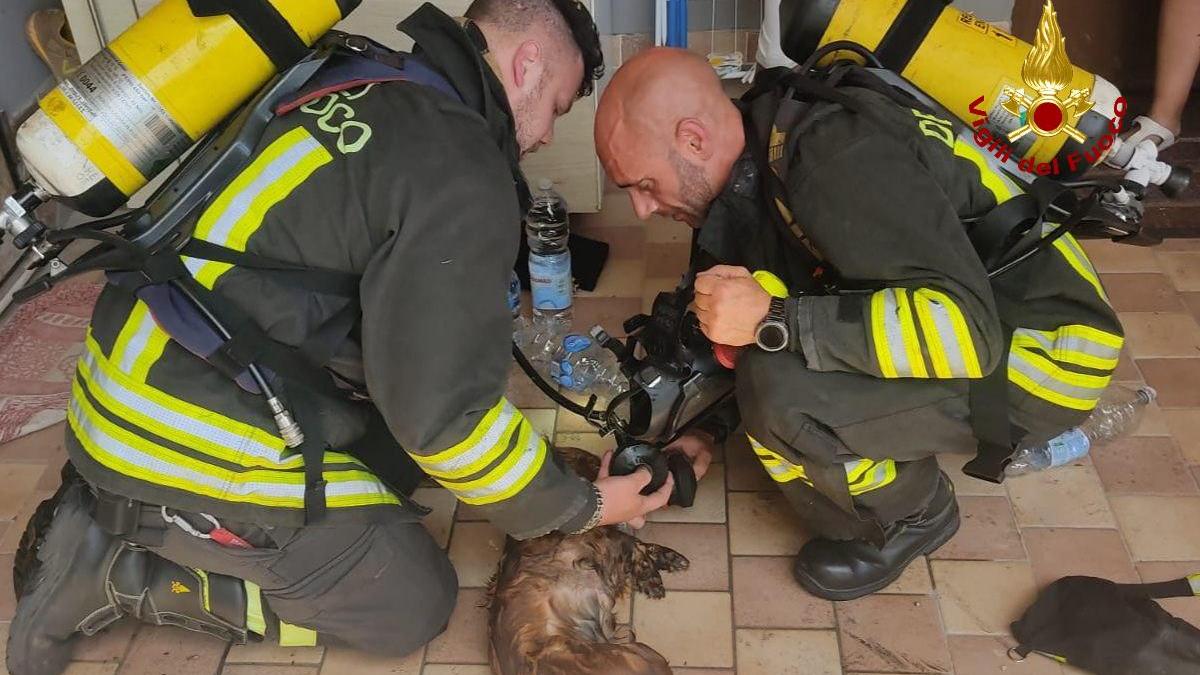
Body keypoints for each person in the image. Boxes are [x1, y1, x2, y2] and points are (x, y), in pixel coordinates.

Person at [6, 3, 684, 673]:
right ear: (528, 63)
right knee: (410, 603)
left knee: (402, 467)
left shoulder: (357, 71)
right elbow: (444, 420)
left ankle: (124, 499)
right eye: (558, 105)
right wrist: (583, 504)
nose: (541, 136)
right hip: (175, 425)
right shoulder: (460, 166)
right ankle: (117, 564)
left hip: (131, 371)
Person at [594, 48, 1125, 601]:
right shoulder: (761, 147)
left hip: (1040, 353)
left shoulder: (834, 160)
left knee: (778, 393)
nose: (640, 211)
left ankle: (910, 515)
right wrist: (704, 431)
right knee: (759, 342)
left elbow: (966, 331)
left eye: (645, 184)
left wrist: (777, 319)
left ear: (693, 140)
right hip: (982, 317)